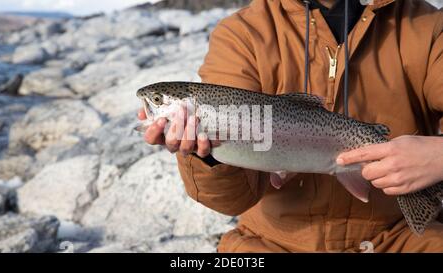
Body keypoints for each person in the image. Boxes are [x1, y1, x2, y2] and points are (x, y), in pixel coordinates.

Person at [138, 0, 443, 252]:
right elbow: (233, 200)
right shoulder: (242, 34)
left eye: (156, 98)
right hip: (269, 244)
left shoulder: (428, 26)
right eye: (156, 98)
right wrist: (205, 157)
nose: (150, 102)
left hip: (399, 239)